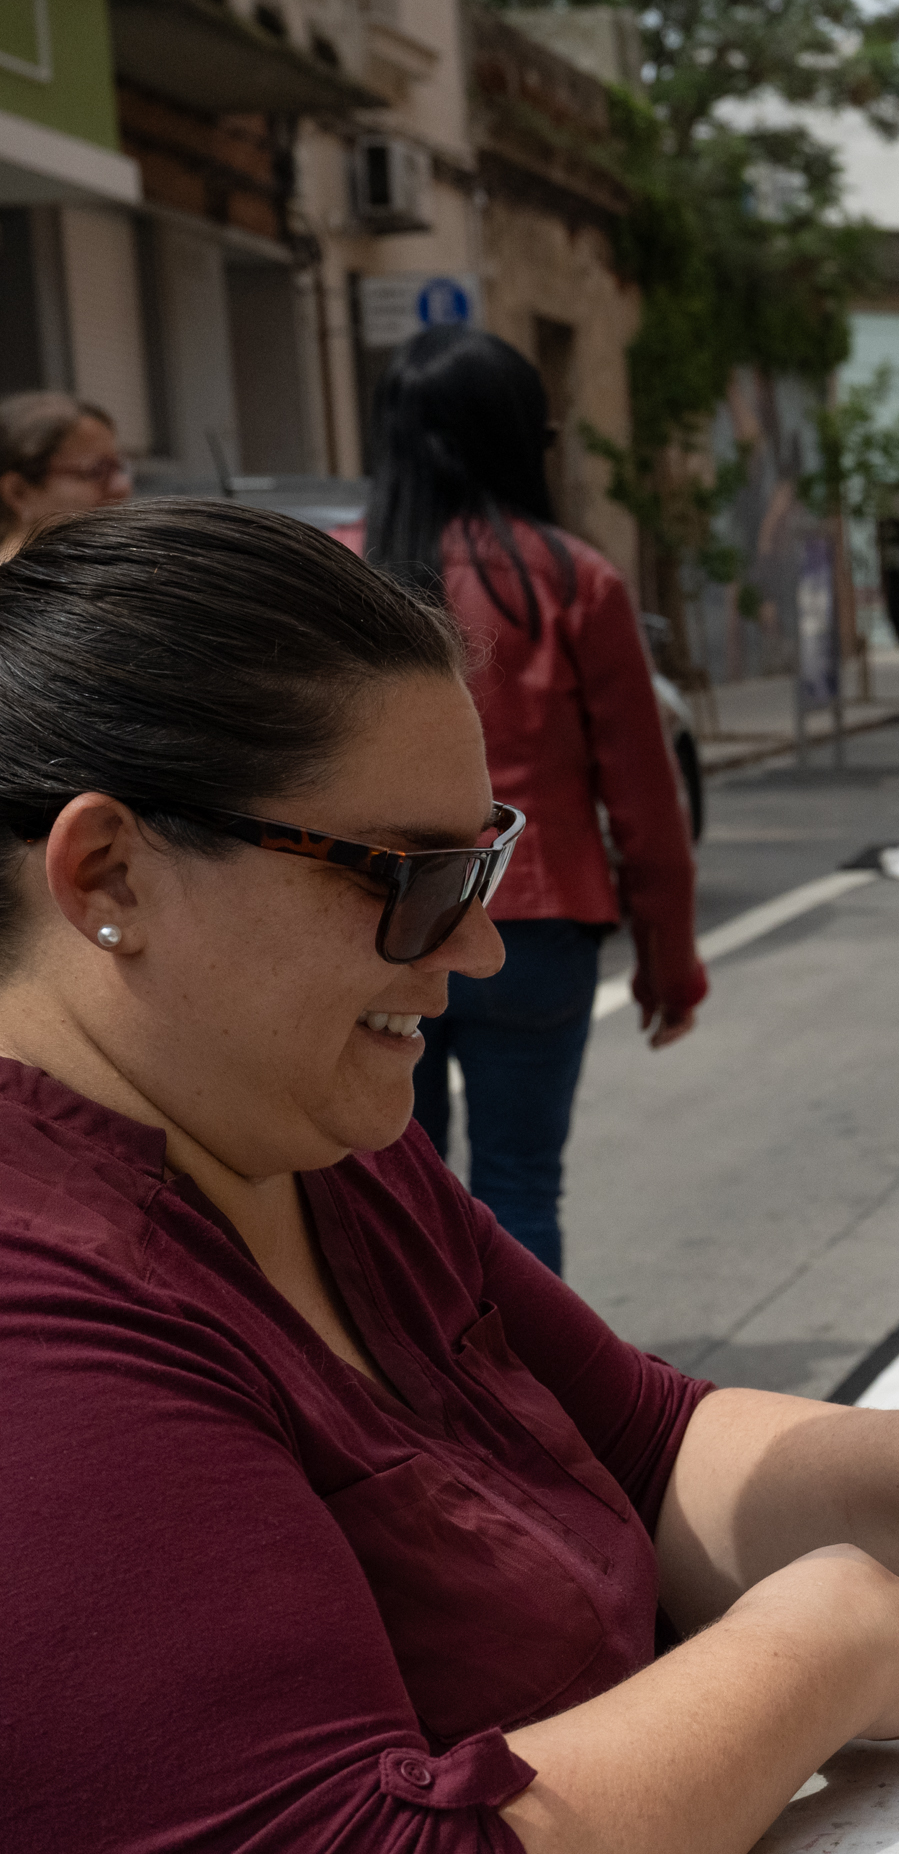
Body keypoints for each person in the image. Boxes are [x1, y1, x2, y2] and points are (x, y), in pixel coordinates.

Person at [0, 499, 899, 1854]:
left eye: (485, 864)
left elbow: (646, 1453)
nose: (477, 945)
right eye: (412, 881)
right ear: (108, 881)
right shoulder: (45, 1324)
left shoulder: (304, 1142)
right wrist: (811, 1651)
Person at [355, 325, 705, 1277]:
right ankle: (518, 1408)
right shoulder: (573, 579)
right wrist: (670, 965)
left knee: (379, 1192)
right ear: (524, 440)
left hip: (370, 922)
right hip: (537, 925)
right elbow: (643, 801)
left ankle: (395, 1403)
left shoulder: (342, 577)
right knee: (518, 1189)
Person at [0, 392, 133, 559]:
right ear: (18, 492)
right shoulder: (17, 582)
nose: (122, 486)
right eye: (98, 471)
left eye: (118, 467)